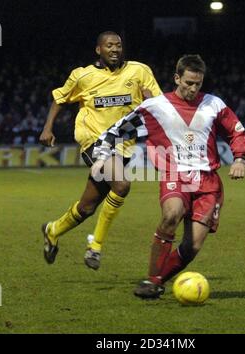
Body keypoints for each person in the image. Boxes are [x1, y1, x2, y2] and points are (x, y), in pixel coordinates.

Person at [90, 54, 245, 298]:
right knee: (171, 214)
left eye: (198, 83)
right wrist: (101, 156)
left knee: (192, 246)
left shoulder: (214, 104)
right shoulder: (156, 106)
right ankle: (152, 279)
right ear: (177, 78)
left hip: (208, 182)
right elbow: (118, 131)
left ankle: (156, 281)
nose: (193, 89)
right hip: (175, 175)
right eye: (188, 83)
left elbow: (236, 131)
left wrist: (240, 158)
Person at [39, 31, 161, 270]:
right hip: (94, 140)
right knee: (122, 185)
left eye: (118, 45)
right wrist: (47, 128)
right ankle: (95, 247)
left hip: (123, 146)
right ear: (99, 50)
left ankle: (53, 230)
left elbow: (157, 101)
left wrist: (151, 101)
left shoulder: (139, 71)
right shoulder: (82, 76)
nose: (115, 49)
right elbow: (60, 99)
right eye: (109, 46)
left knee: (87, 207)